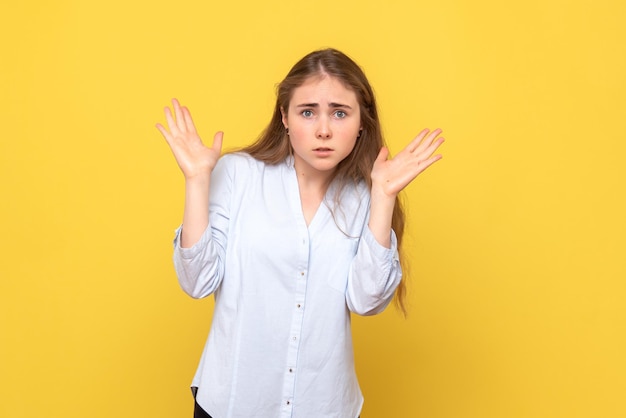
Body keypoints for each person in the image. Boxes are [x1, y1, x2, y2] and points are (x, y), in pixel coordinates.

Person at [156, 48, 444, 418]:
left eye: (339, 113)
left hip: (323, 406)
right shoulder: (238, 175)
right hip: (232, 403)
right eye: (307, 112)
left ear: (361, 122)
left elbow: (367, 301)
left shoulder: (365, 195)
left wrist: (384, 196)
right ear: (285, 117)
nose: (323, 129)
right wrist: (197, 181)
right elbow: (197, 282)